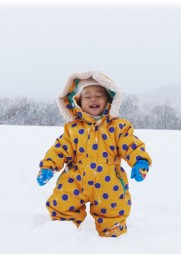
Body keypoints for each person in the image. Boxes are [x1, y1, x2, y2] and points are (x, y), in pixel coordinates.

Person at [36, 71, 152, 238]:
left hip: (109, 181)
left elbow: (130, 144)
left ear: (109, 101)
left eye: (99, 95)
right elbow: (60, 149)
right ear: (78, 102)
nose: (93, 99)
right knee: (63, 202)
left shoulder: (118, 127)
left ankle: (113, 235)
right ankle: (61, 232)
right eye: (87, 96)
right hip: (75, 179)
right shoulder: (73, 129)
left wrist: (140, 161)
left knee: (114, 209)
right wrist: (48, 166)